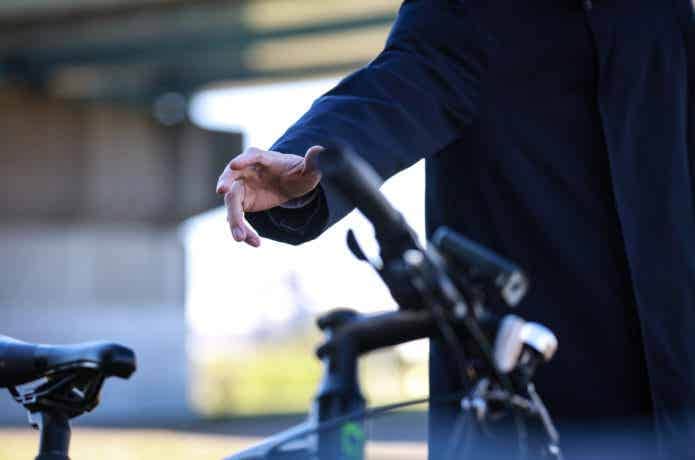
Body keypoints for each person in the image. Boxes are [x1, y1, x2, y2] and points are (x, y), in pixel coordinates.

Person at [216, 1, 695, 458]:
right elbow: (391, 90)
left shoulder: (660, 13)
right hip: (527, 393)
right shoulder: (470, 11)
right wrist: (304, 163)